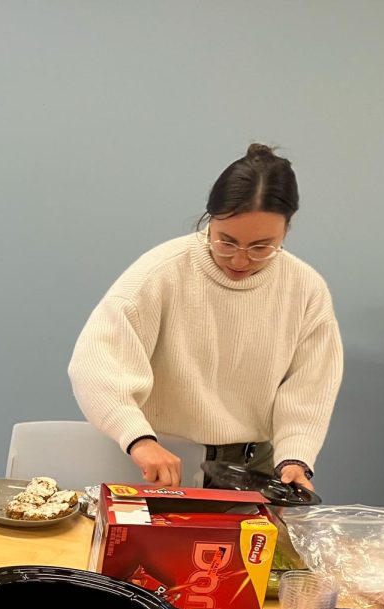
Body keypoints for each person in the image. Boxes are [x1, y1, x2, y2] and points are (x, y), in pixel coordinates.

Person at [68, 143, 343, 490]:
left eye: (261, 247)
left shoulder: (305, 289)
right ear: (209, 220)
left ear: (287, 230)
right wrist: (138, 439)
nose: (240, 260)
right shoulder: (161, 273)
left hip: (252, 467)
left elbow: (309, 388)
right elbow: (97, 365)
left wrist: (295, 459)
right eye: (226, 242)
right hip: (161, 458)